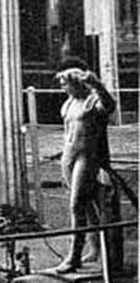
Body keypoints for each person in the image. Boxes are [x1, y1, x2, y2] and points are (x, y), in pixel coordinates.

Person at [53, 65, 116, 274]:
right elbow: (67, 133)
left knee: (76, 206)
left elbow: (109, 104)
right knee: (86, 206)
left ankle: (74, 257)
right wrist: (62, 158)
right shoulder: (69, 103)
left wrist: (96, 84)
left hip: (86, 158)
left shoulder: (92, 101)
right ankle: (95, 248)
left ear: (76, 83)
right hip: (69, 156)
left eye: (66, 84)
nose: (63, 88)